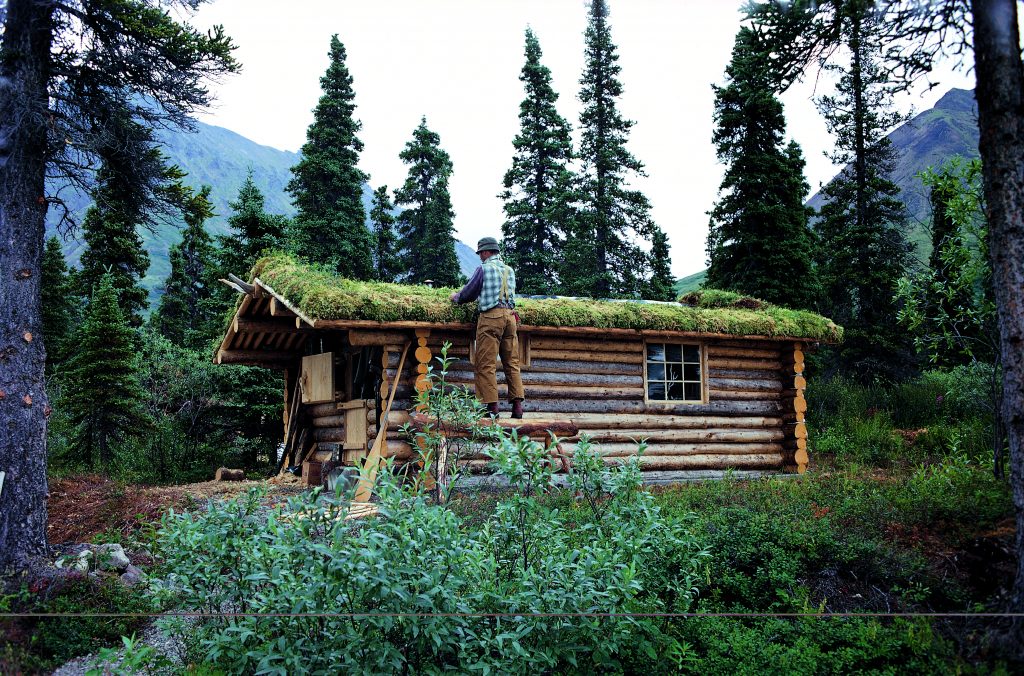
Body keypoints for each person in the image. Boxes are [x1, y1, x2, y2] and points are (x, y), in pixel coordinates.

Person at [450, 237, 526, 418]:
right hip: (510, 318)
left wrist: (456, 297)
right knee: (512, 363)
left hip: (491, 318)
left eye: (480, 254)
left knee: (485, 364)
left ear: (485, 252)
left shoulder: (483, 269)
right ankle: (517, 407)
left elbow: (469, 293)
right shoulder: (510, 270)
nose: (480, 257)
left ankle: (491, 409)